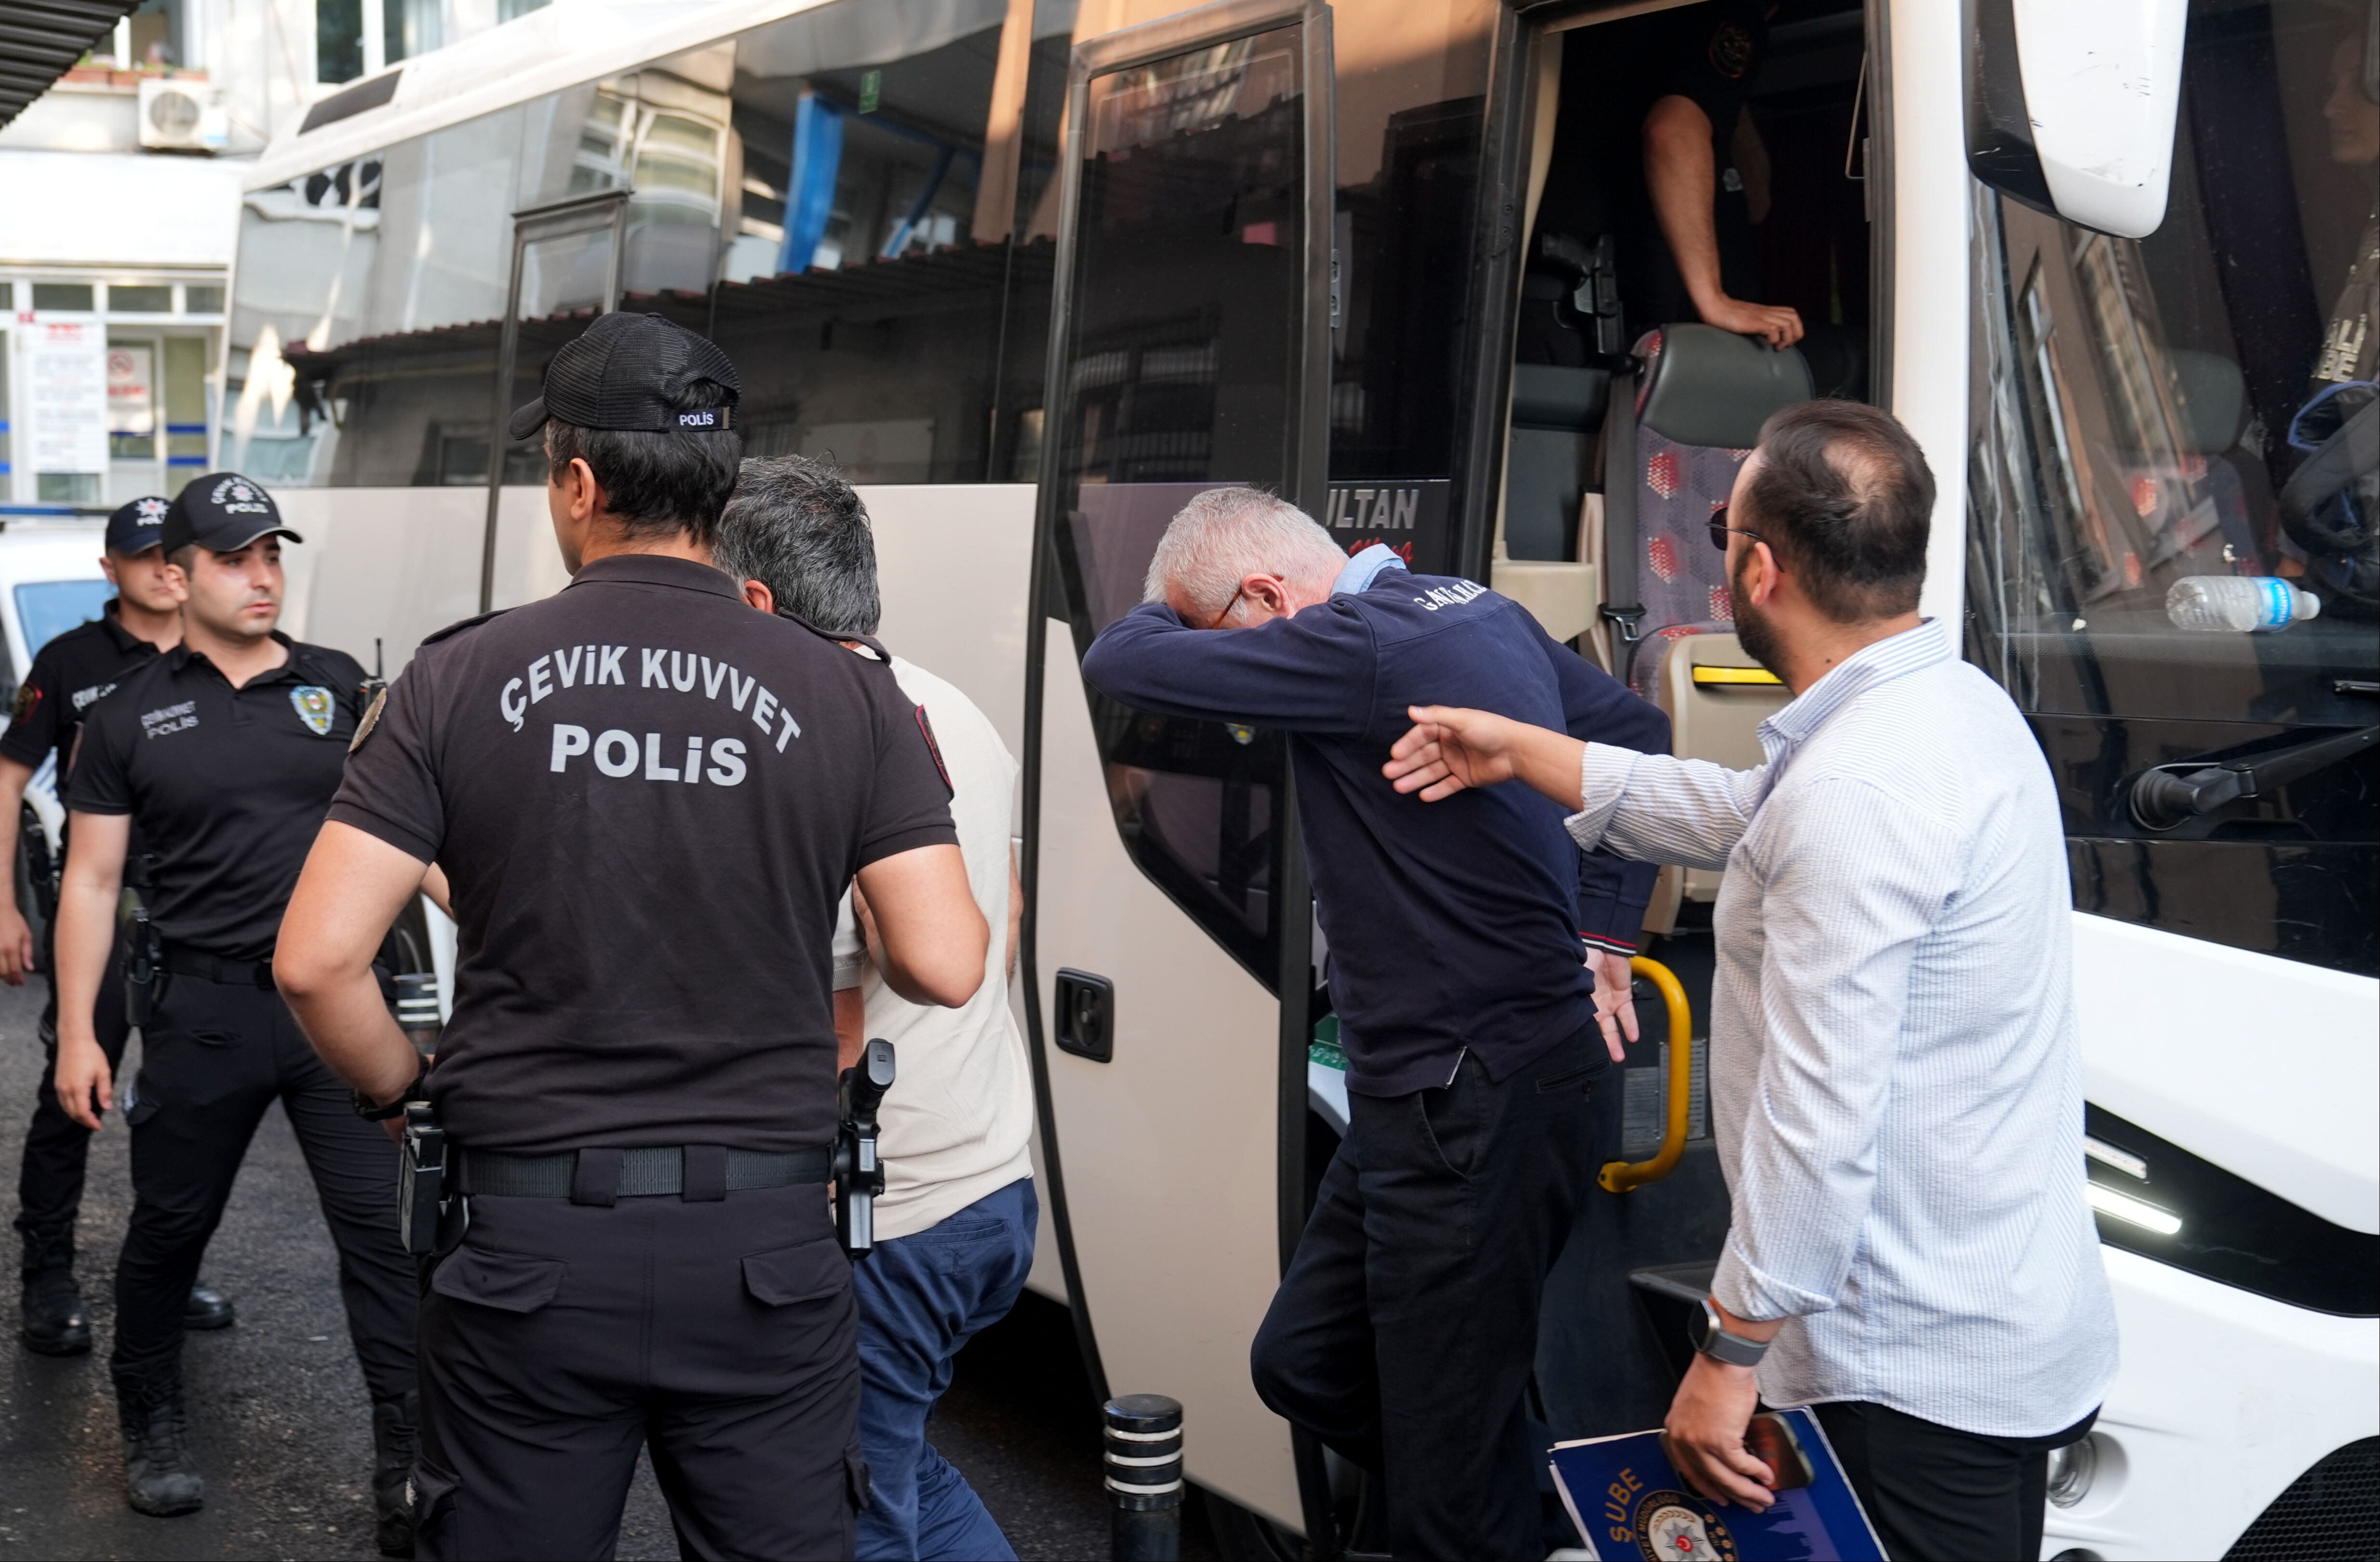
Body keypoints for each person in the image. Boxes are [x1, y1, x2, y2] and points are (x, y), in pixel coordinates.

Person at [272, 311, 990, 1562]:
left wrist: (404, 1092)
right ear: (719, 489)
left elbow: (316, 958)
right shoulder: (848, 691)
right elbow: (946, 960)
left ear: (580, 483)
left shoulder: (458, 676)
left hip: (531, 1251)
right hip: (766, 1254)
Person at [1383, 401, 2120, 1562]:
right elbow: (1749, 817)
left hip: (1906, 1365)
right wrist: (1524, 750)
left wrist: (1729, 1352)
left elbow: (1818, 1120)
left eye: (1724, 527)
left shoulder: (1857, 791)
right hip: (1990, 1319)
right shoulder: (1949, 709)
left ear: (1762, 569)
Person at [1078, 489, 1670, 1560]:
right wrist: (1611, 934)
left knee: (1443, 1503)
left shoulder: (1351, 641)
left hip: (1473, 1102)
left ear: (1267, 593)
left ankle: (1510, 1515)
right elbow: (1634, 729)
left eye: (1227, 636)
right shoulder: (1471, 607)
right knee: (1304, 1363)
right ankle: (1555, 1510)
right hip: (1452, 1094)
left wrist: (1162, 609)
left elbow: (1119, 661)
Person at [50, 475, 421, 1548]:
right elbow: (87, 883)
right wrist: (79, 1032)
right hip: (203, 1011)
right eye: (233, 558)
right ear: (174, 575)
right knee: (170, 1227)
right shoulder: (124, 717)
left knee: (389, 1241)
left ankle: (406, 1460)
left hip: (342, 1017)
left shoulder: (341, 685)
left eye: (272, 555)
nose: (261, 576)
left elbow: (411, 839)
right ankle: (152, 1420)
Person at [714, 454, 1037, 1562]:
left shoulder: (805, 735)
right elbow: (1005, 913)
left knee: (842, 1505)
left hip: (887, 1211)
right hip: (991, 1183)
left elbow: (833, 1014)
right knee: (890, 1460)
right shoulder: (954, 707)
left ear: (755, 601)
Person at [3, 497, 231, 1355]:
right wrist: (1, 905)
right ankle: (49, 1274)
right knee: (74, 1090)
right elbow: (8, 778)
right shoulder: (70, 662)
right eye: (143, 557)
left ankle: (174, 1266)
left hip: (194, 906)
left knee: (188, 1104)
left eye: (172, 554)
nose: (161, 570)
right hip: (101, 905)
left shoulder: (219, 653)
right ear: (113, 569)